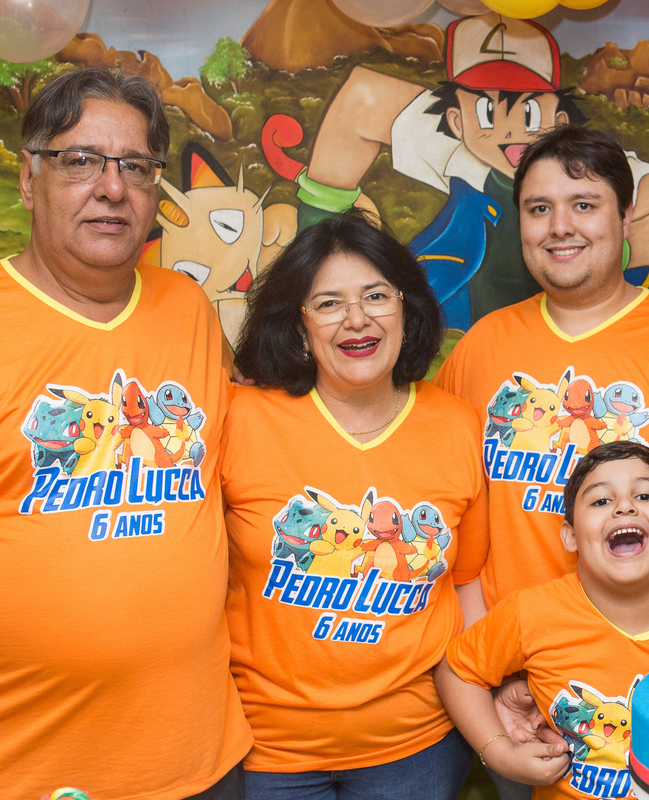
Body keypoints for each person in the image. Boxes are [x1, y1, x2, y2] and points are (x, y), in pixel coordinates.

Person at [0, 68, 250, 799]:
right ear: (30, 179)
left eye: (136, 167)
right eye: (81, 160)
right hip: (10, 774)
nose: (112, 188)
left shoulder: (188, 309)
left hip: (199, 765)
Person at [435, 124, 649, 612]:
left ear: (626, 216)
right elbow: (439, 504)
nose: (560, 227)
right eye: (539, 209)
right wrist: (481, 640)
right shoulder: (480, 346)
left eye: (584, 205)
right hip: (518, 648)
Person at [223, 211, 489, 799]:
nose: (357, 318)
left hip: (418, 749)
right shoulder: (238, 419)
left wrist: (493, 700)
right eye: (328, 304)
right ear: (298, 327)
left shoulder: (457, 426)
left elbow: (466, 584)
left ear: (406, 310)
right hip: (266, 753)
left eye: (375, 295)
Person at [299, 12, 649, 329]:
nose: (510, 128)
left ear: (560, 119)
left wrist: (588, 249)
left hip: (593, 340)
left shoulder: (598, 166)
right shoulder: (460, 151)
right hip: (480, 339)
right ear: (456, 121)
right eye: (488, 109)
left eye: (530, 109)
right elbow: (364, 97)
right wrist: (313, 256)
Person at [436, 441, 649, 799]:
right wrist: (500, 753)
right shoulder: (530, 613)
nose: (624, 506)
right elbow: (456, 671)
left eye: (645, 496)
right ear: (570, 536)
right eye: (601, 501)